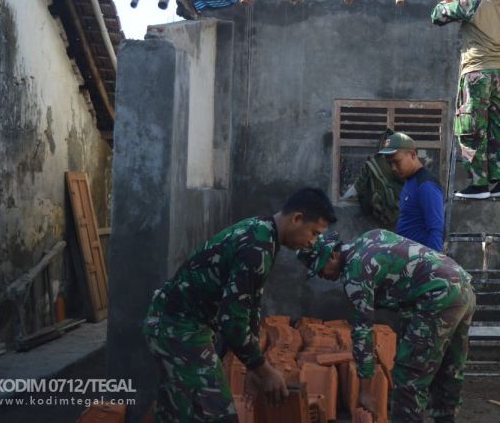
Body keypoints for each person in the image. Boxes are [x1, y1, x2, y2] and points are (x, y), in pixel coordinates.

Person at [142, 188, 337, 422]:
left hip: (177, 325)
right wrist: (262, 370)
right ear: (296, 219)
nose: (311, 243)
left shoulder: (264, 232)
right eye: (314, 233)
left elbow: (250, 305)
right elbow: (232, 319)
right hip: (178, 330)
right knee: (218, 415)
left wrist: (254, 365)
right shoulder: (257, 246)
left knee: (177, 413)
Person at [299, 230, 475, 423]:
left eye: (321, 267)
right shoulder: (369, 238)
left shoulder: (355, 274)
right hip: (462, 285)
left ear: (333, 254)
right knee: (450, 368)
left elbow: (362, 331)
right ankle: (446, 419)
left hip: (438, 296)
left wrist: (365, 392)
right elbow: (407, 286)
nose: (322, 275)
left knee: (408, 376)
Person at [431, 0, 500, 199]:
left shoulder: (472, 4)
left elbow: (437, 16)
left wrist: (445, 3)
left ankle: (479, 184)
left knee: (472, 128)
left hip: (477, 74)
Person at [379, 132, 445, 251]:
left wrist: (433, 265)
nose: (393, 168)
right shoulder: (410, 181)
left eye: (397, 162)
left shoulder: (426, 185)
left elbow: (436, 230)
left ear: (413, 155)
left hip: (422, 261)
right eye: (390, 163)